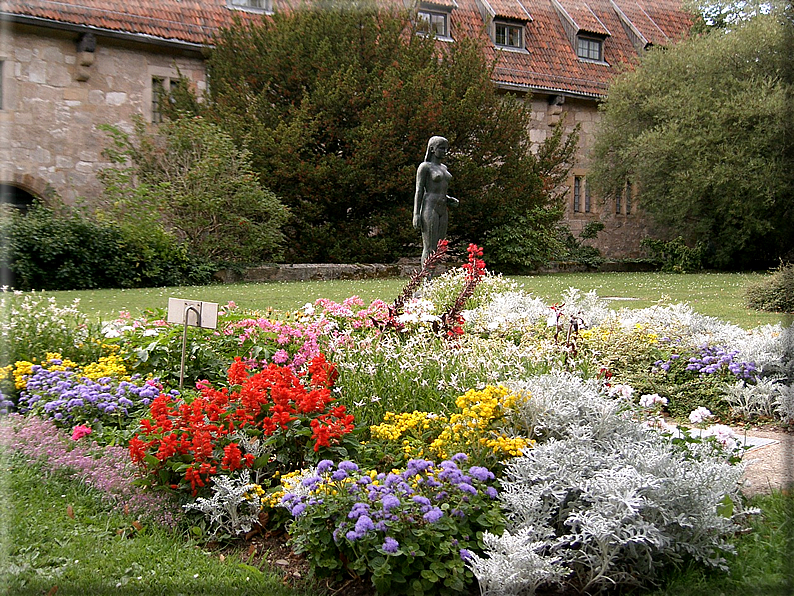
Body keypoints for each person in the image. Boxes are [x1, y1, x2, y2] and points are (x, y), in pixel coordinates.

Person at [413, 136, 458, 268]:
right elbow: (419, 190)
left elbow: (440, 189)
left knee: (440, 246)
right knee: (429, 246)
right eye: (441, 148)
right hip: (429, 207)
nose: (445, 151)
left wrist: (449, 199)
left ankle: (431, 278)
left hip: (443, 208)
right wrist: (416, 213)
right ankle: (427, 280)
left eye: (446, 149)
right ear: (432, 149)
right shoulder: (424, 167)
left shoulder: (444, 167)